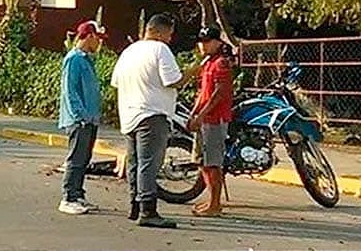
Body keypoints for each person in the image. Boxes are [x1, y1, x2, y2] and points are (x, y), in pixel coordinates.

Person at [110, 13, 200, 228]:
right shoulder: (160, 49)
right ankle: (148, 211)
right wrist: (194, 70)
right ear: (158, 32)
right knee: (150, 163)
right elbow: (173, 81)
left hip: (129, 115)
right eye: (169, 33)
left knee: (135, 163)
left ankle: (135, 204)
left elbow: (116, 82)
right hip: (152, 114)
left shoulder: (129, 51)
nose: (170, 38)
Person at [58, 20, 108, 215]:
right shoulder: (74, 59)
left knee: (84, 159)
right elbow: (69, 90)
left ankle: (78, 195)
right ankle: (69, 198)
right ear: (89, 36)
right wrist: (80, 115)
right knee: (76, 159)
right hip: (79, 119)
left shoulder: (87, 59)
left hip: (90, 118)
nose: (100, 43)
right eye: (98, 38)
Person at [188, 26, 234, 217]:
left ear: (218, 43)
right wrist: (194, 113)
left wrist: (201, 115)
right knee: (203, 162)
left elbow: (219, 94)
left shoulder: (221, 63)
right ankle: (211, 200)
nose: (203, 45)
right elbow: (203, 92)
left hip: (215, 120)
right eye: (201, 41)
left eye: (207, 41)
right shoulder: (207, 63)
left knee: (213, 163)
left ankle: (215, 204)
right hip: (204, 119)